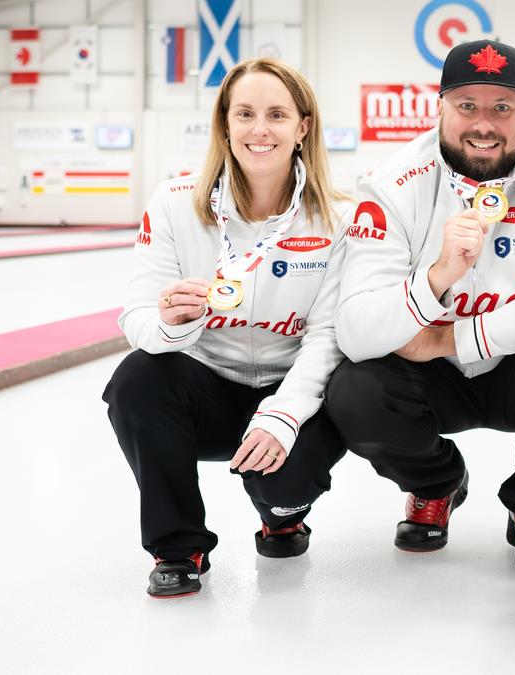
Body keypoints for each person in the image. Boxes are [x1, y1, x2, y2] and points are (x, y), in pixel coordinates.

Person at [325, 39, 515, 573]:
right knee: (354, 390)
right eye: (466, 106)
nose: (484, 124)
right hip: (430, 378)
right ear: (440, 106)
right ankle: (436, 482)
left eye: (502, 107)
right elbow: (356, 331)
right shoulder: (391, 183)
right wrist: (437, 277)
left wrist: (445, 337)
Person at [104, 58, 350, 598]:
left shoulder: (339, 218)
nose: (260, 129)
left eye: (277, 115)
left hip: (293, 387)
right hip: (208, 388)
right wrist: (171, 324)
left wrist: (284, 415)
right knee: (137, 380)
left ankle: (282, 516)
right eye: (245, 114)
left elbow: (329, 335)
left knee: (283, 486)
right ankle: (178, 547)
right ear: (225, 124)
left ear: (303, 127)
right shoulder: (174, 203)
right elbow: (136, 318)